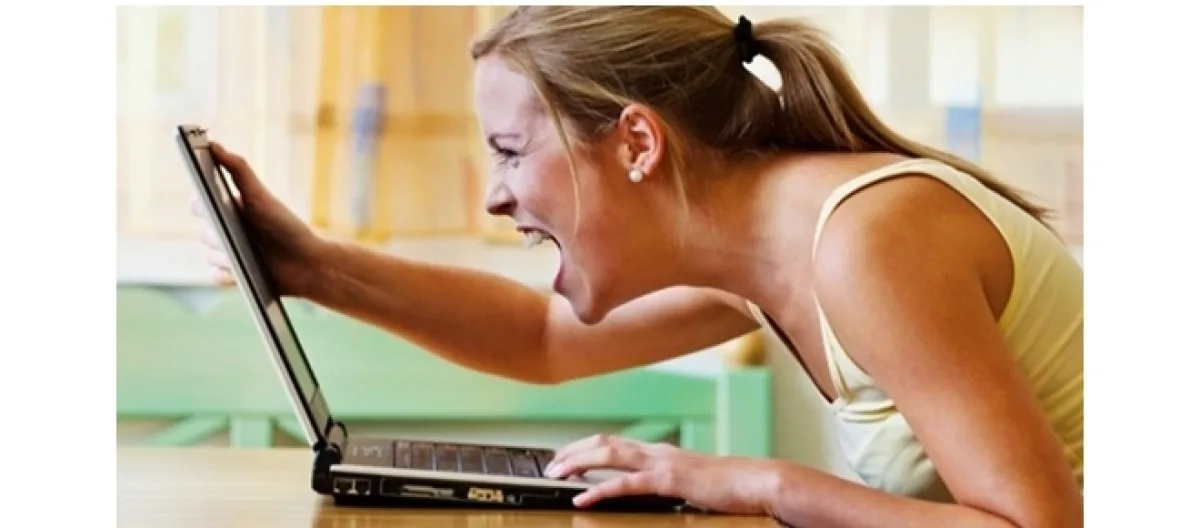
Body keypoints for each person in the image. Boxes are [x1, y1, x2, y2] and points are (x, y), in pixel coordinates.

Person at [194, 6, 1083, 527]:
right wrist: (312, 267)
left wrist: (755, 480)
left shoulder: (867, 242)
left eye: (510, 151)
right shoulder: (765, 246)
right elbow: (541, 337)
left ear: (636, 143)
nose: (495, 197)